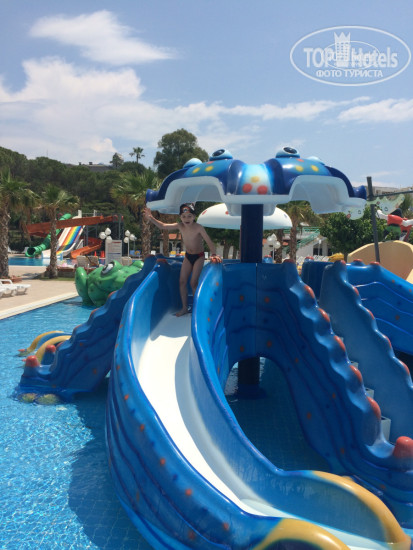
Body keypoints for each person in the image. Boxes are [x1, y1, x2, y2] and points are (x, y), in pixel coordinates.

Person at [144, 203, 221, 316]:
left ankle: (197, 309)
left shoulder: (198, 227)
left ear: (194, 216)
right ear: (180, 217)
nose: (186, 219)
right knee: (182, 282)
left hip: (199, 256)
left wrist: (213, 254)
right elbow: (163, 226)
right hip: (188, 256)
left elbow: (209, 242)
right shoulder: (180, 226)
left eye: (189, 216)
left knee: (193, 282)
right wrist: (151, 218)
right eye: (184, 216)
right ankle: (185, 308)